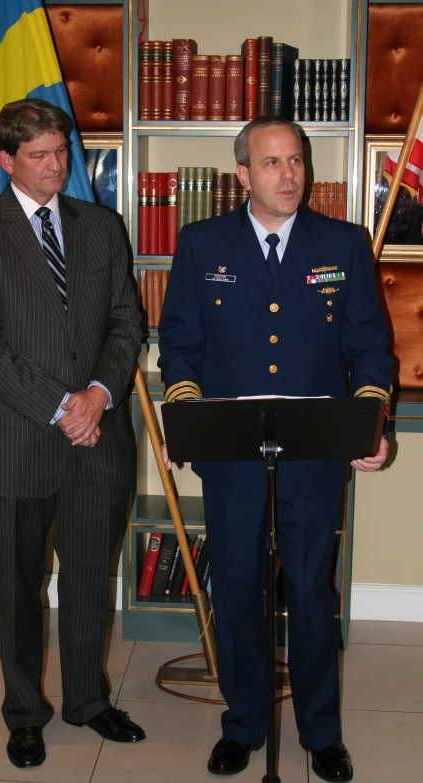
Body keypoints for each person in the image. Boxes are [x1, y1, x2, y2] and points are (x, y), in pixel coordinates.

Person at [158, 115, 392, 783]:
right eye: (271, 162)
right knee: (235, 589)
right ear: (242, 174)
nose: (289, 174)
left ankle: (322, 732)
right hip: (231, 457)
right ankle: (244, 723)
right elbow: (179, 343)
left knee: (312, 595)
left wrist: (372, 421)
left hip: (315, 459)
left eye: (296, 160)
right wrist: (185, 416)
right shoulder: (203, 245)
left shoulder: (341, 244)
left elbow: (368, 348)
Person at [0, 99, 144, 769]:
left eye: (62, 152)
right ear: (5, 160)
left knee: (90, 579)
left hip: (99, 438)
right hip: (15, 440)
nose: (57, 165)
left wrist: (97, 395)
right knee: (20, 588)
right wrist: (62, 405)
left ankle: (88, 699)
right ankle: (26, 712)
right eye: (39, 156)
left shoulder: (102, 226)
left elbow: (126, 324)